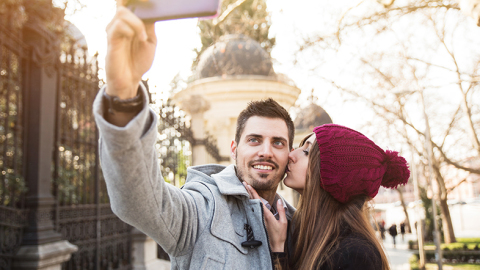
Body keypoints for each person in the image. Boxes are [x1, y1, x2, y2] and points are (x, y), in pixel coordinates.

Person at [93, 1, 296, 269]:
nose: (266, 151)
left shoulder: (300, 228)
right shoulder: (200, 208)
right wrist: (123, 96)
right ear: (233, 149)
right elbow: (138, 201)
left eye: (278, 143)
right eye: (254, 139)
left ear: (289, 153)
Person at [245, 124, 410, 269]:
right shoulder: (308, 235)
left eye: (307, 152)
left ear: (335, 176)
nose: (291, 155)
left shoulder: (356, 255)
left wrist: (278, 250)